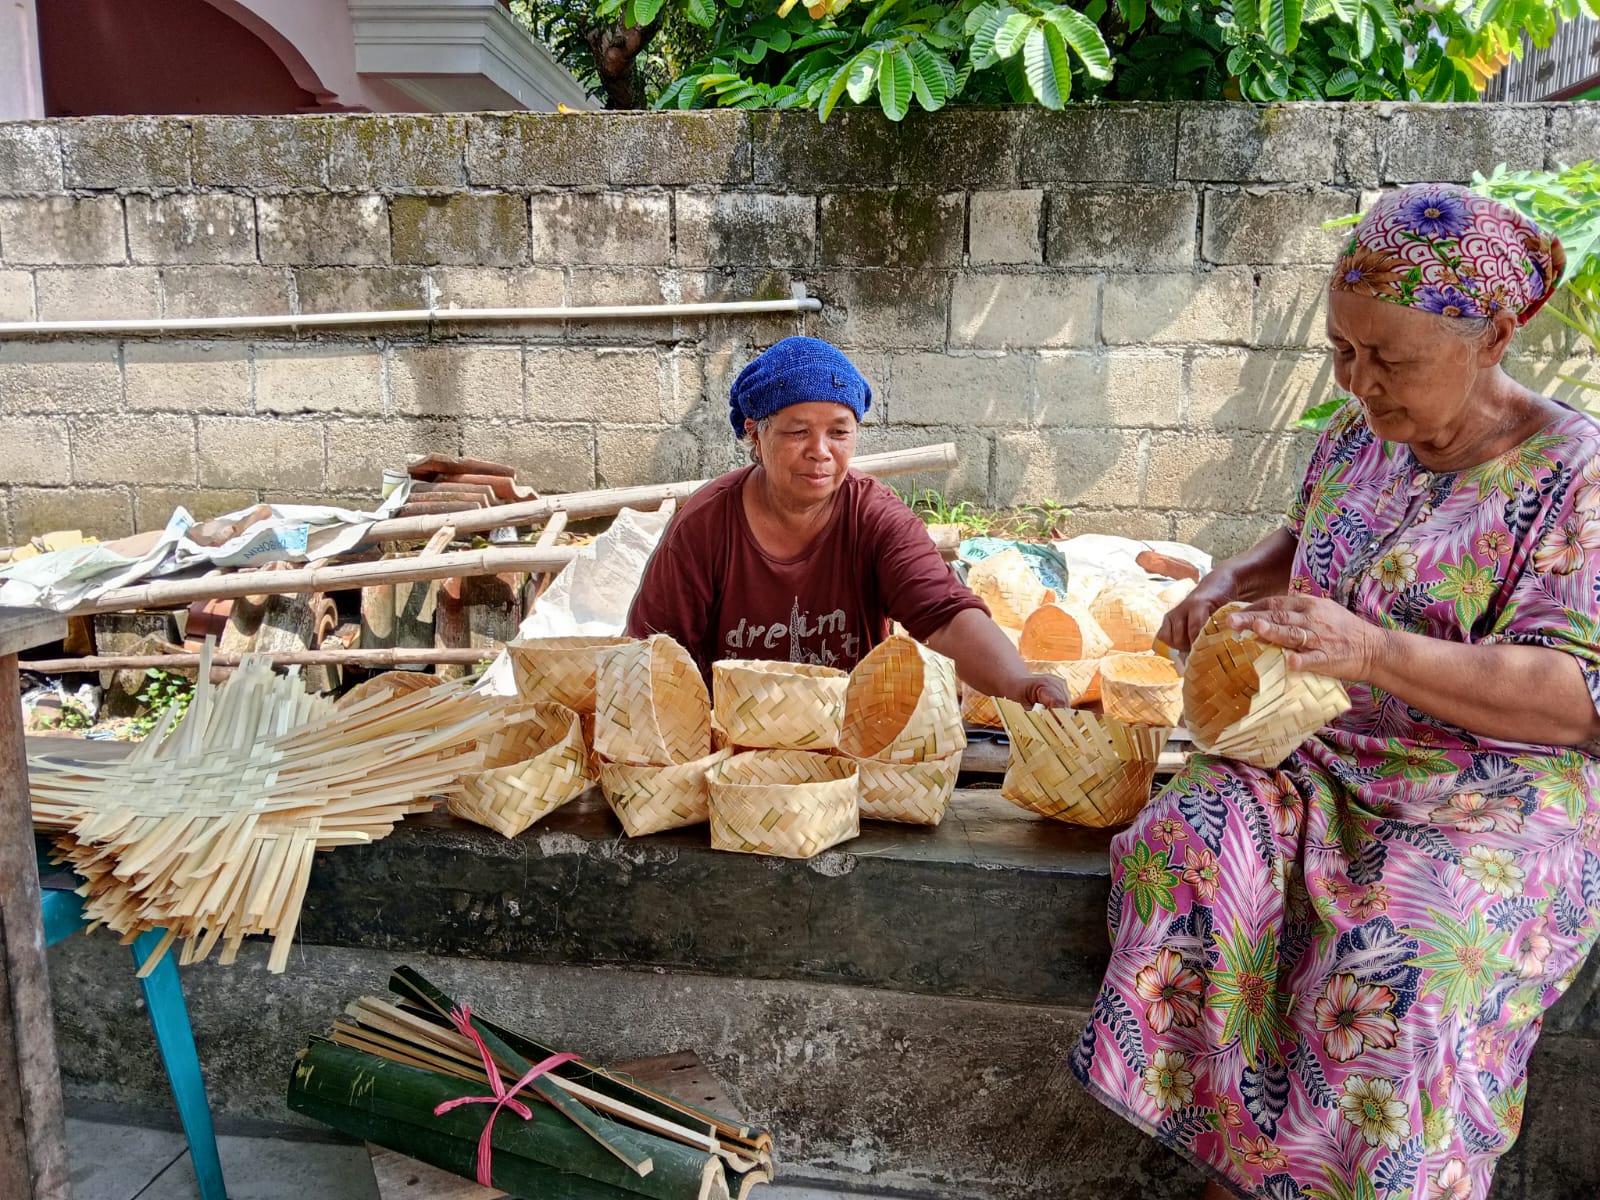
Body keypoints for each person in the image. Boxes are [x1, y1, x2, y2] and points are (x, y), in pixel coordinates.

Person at [1069, 183, 1600, 1200]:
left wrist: (1374, 653)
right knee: (1186, 844)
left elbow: (1573, 697)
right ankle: (1242, 1166)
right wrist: (1231, 578)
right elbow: (1307, 533)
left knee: (1392, 960)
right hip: (1320, 757)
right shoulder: (1362, 432)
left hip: (1486, 794)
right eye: (1340, 351)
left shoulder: (1572, 472)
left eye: (1389, 358)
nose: (1360, 381)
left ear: (1489, 335)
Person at [625, 335, 1068, 708]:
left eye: (839, 432)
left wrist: (1017, 682)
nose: (820, 450)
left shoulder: (874, 517)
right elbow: (652, 656)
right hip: (729, 755)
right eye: (798, 431)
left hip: (847, 746)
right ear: (755, 436)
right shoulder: (705, 526)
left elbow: (944, 616)